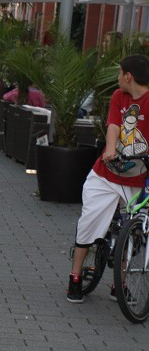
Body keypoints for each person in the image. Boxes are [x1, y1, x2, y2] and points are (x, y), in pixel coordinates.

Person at [67, 55, 149, 303]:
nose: (117, 78)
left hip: (136, 179)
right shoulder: (118, 96)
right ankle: (75, 276)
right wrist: (110, 150)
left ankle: (119, 283)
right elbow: (114, 125)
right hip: (106, 175)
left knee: (130, 230)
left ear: (128, 76)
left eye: (119, 73)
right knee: (90, 223)